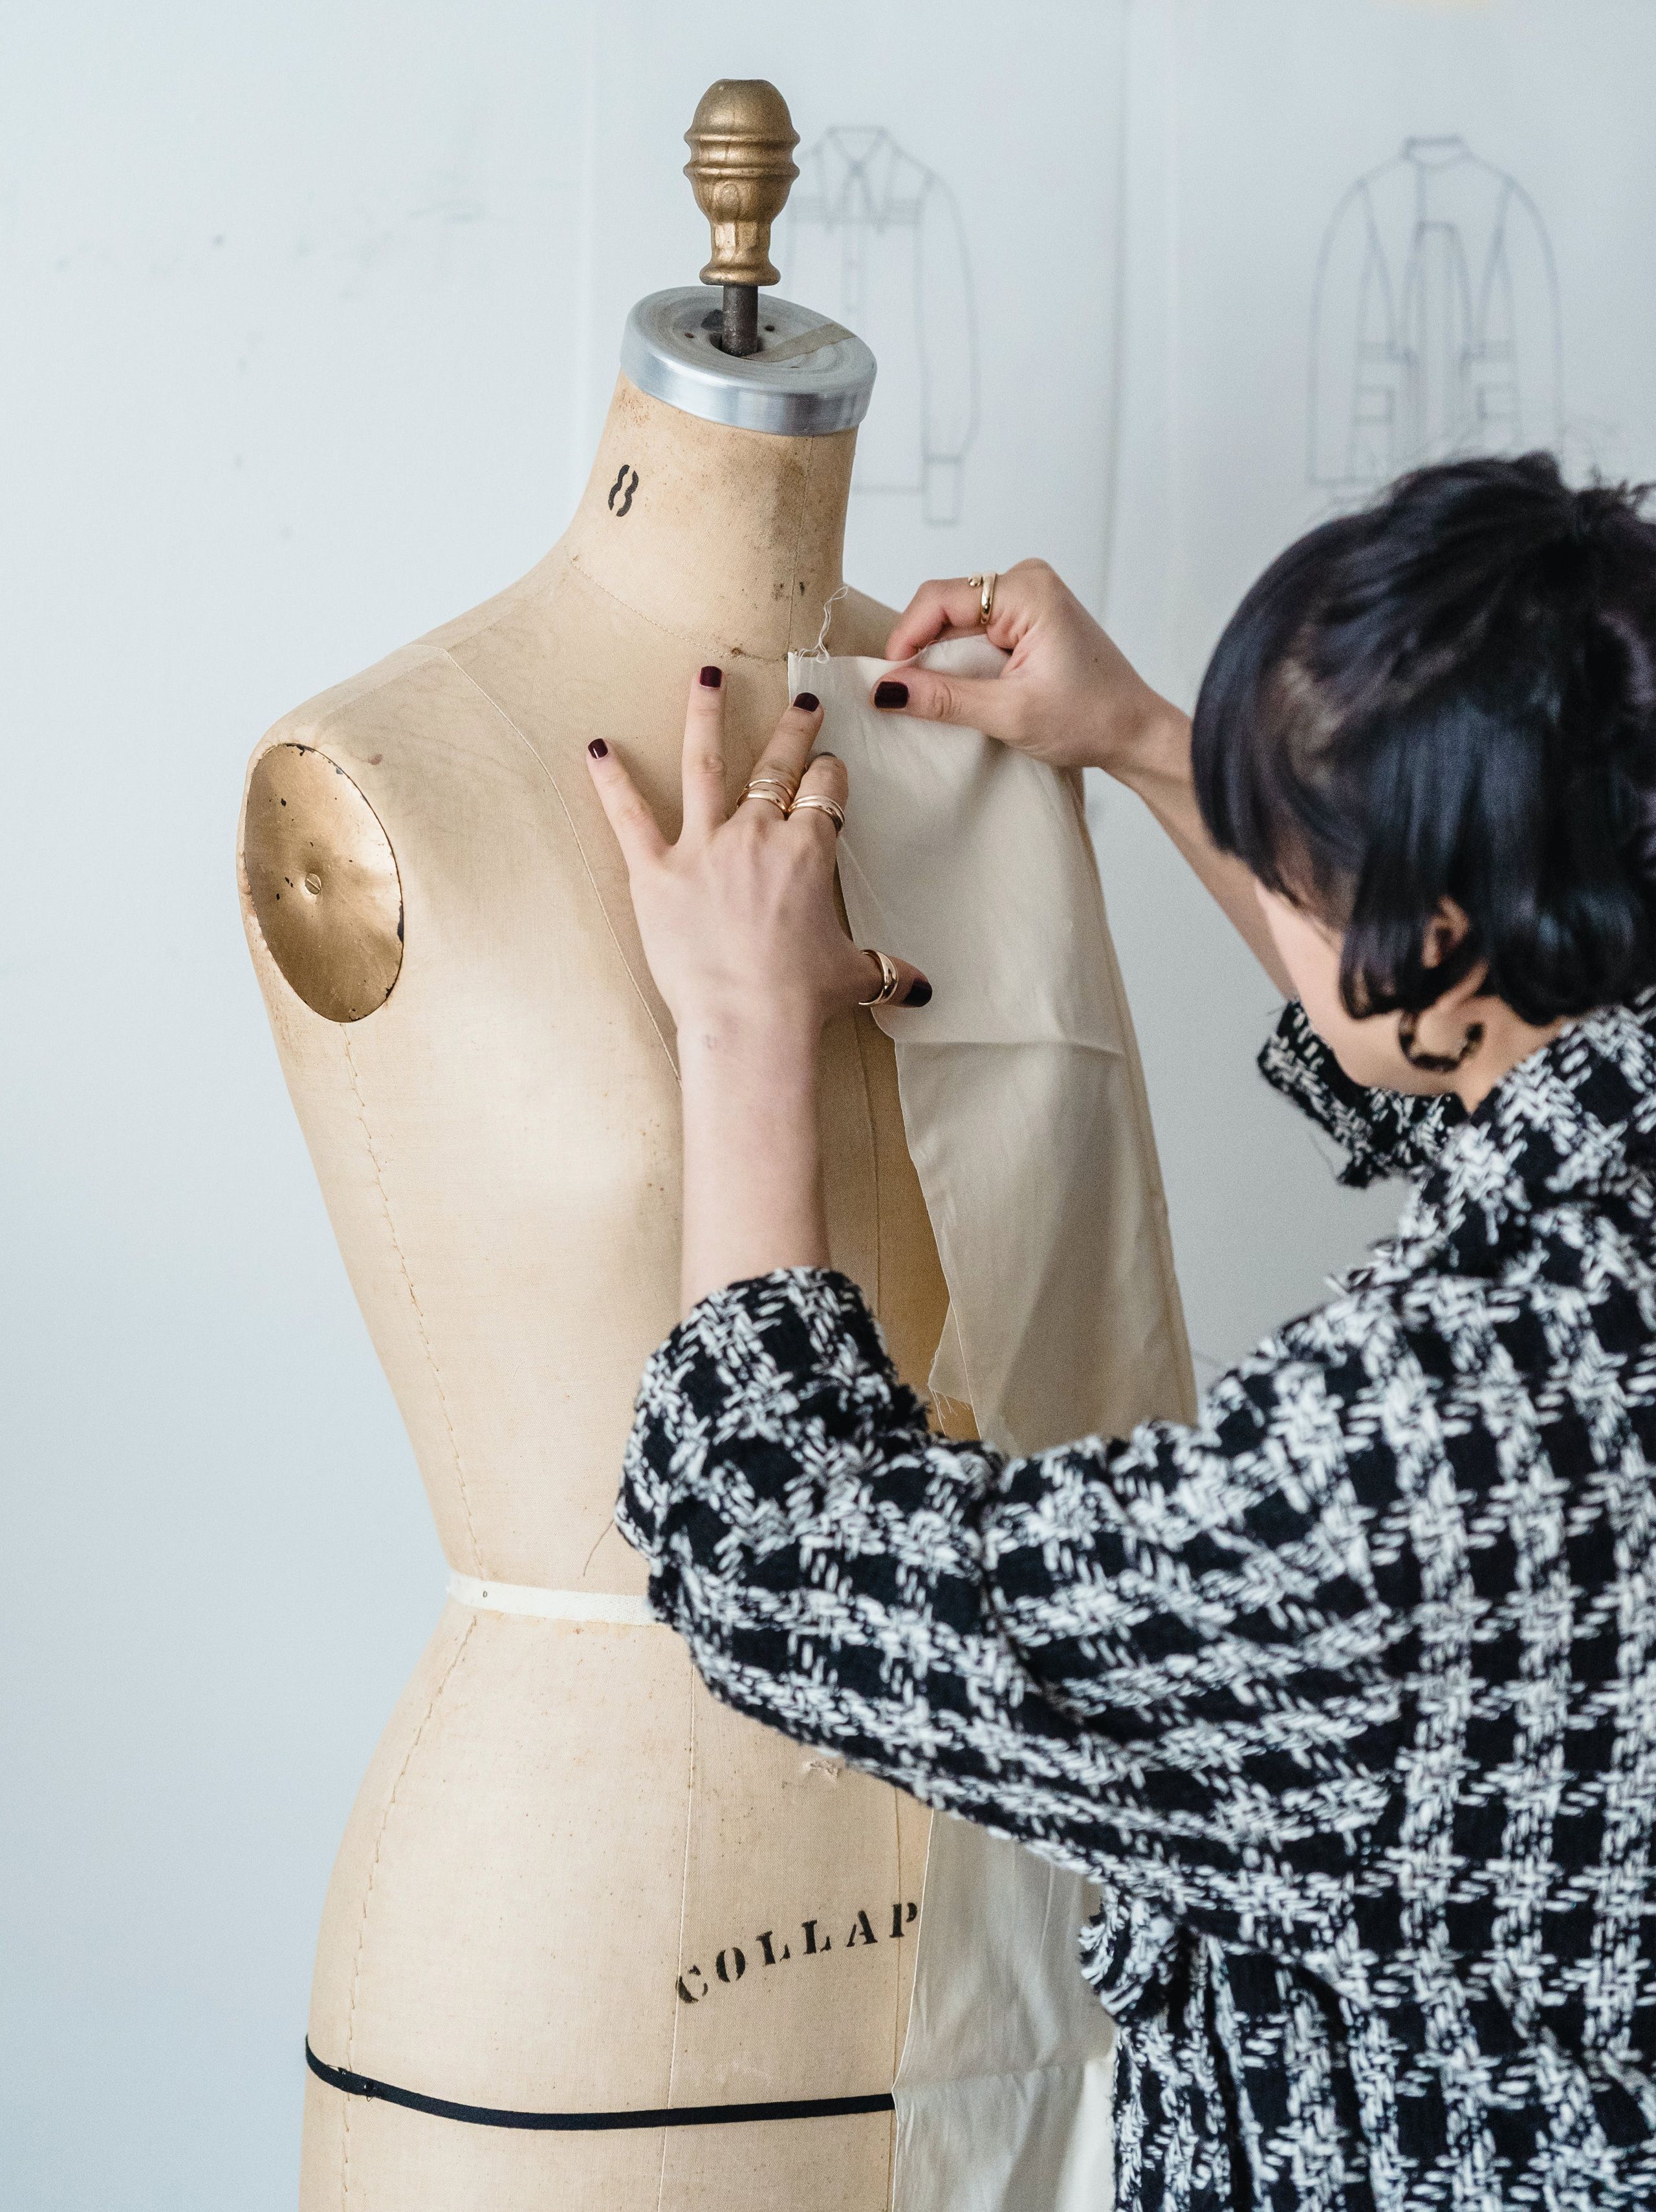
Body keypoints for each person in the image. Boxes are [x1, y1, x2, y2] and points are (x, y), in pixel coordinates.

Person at [583, 451, 1656, 2211]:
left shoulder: (1426, 1450)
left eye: (1290, 859)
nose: (1271, 878)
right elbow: (1478, 1087)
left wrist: (738, 1020)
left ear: (1436, 938)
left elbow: (777, 1554)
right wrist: (1159, 743)